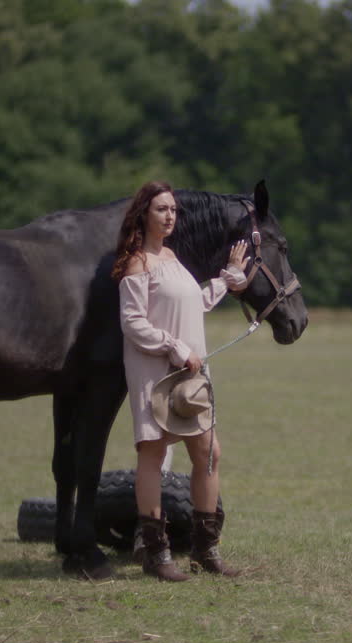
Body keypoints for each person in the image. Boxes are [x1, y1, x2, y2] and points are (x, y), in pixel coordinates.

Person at [113, 180, 249, 581]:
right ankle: (157, 555)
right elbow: (132, 323)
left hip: (189, 379)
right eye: (161, 209)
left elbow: (196, 302)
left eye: (173, 209)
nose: (170, 216)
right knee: (152, 457)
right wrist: (174, 348)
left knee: (208, 453)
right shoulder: (137, 263)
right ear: (144, 214)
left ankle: (206, 550)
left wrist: (229, 278)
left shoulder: (173, 257)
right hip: (156, 375)